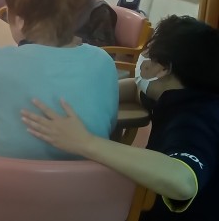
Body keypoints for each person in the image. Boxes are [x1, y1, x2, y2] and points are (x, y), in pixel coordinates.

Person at [22, 15, 219, 221]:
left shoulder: (195, 120)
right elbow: (136, 89)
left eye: (148, 51)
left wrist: (85, 142)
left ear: (163, 68)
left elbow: (184, 181)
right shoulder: (184, 93)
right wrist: (80, 97)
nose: (143, 56)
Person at [0, 0, 118, 159]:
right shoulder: (103, 61)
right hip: (92, 177)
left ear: (19, 20)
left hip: (9, 178)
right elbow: (110, 122)